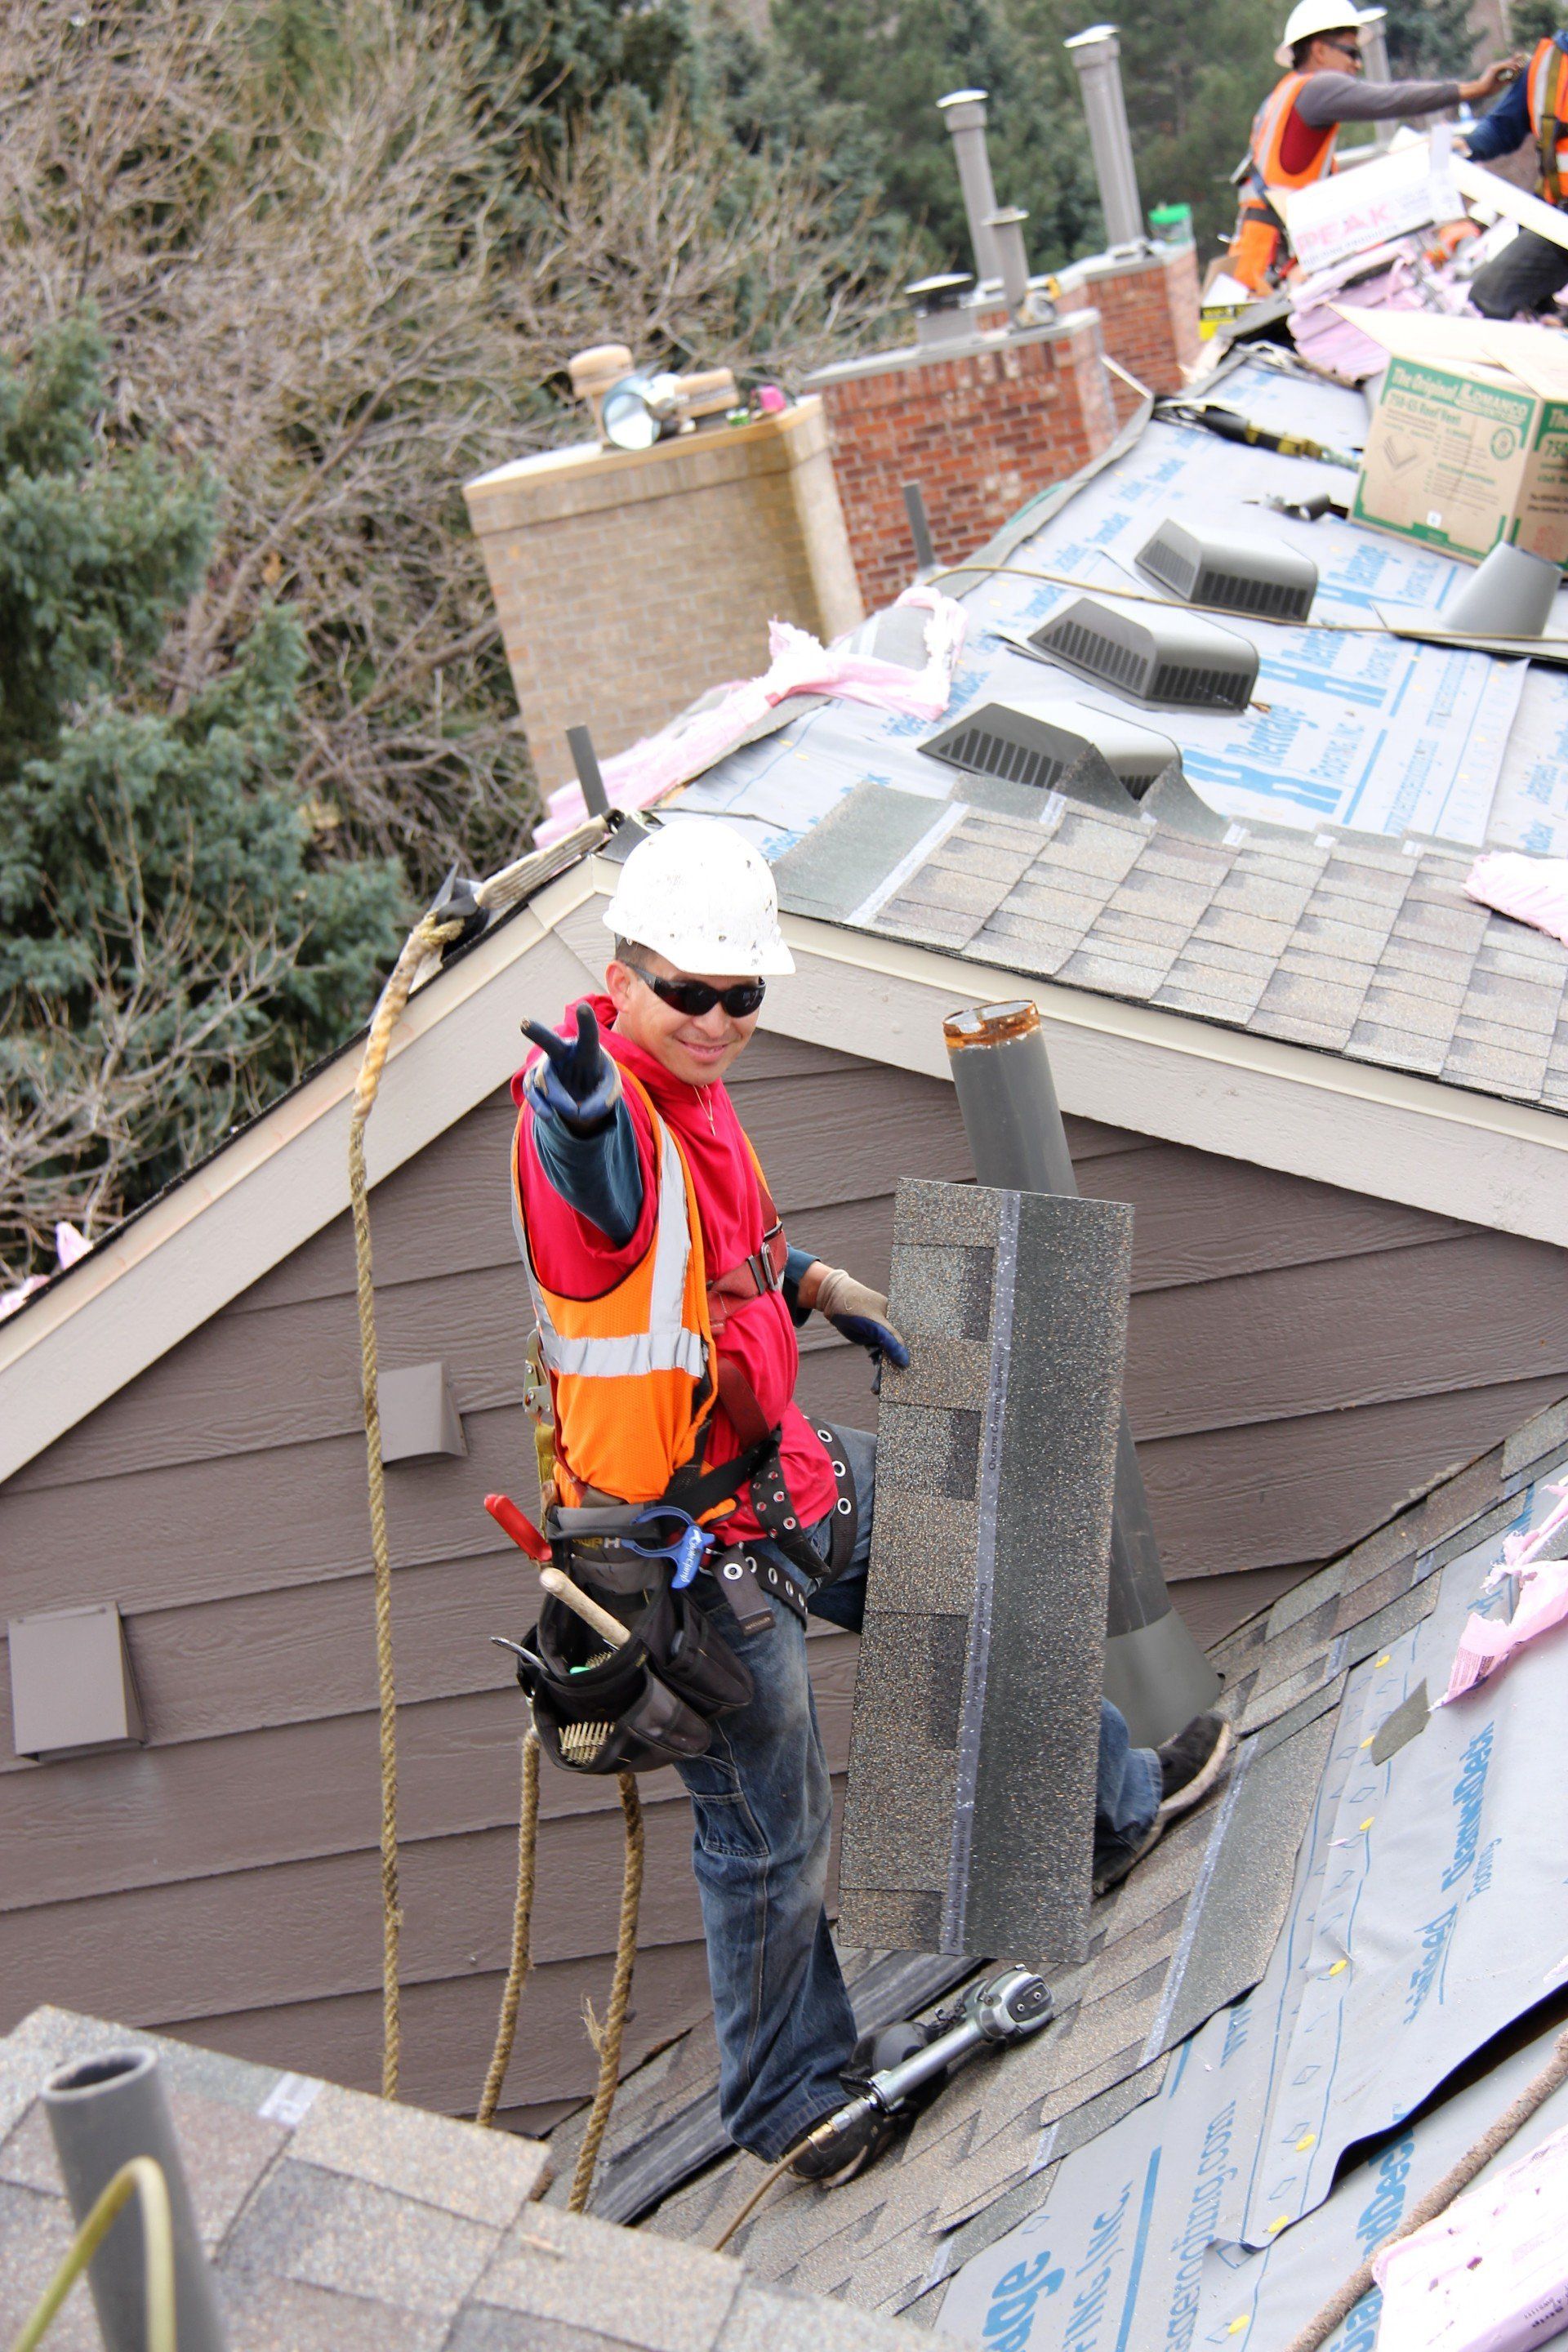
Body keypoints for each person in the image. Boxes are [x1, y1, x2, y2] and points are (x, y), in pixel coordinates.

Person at [511, 817, 1234, 2185]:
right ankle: (796, 2106)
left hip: (777, 1469)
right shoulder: (594, 1120)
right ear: (623, 977)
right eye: (686, 992)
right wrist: (581, 1128)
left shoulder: (699, 1103)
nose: (717, 1019)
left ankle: (1102, 1806)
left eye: (742, 995)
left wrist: (821, 1293)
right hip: (682, 1565)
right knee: (768, 1839)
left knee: (977, 1552)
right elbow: (601, 1209)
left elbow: (713, 1271)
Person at [1227, 0, 1519, 293]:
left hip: (1259, 251)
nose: (1357, 64)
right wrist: (1474, 89)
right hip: (1267, 262)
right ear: (1319, 50)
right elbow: (1391, 99)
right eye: (1351, 52)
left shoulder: (1283, 95)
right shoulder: (1316, 88)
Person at [1465, 32, 1568, 318]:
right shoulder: (1550, 63)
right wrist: (1464, 146)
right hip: (1558, 223)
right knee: (1489, 298)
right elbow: (1503, 126)